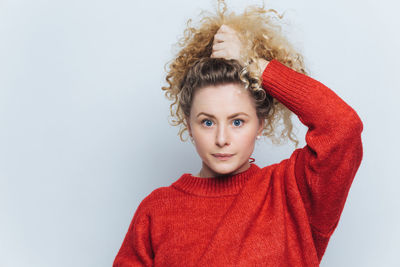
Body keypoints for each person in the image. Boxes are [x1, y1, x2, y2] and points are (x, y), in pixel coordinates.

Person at [113, 1, 363, 266]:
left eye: (237, 122)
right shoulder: (156, 211)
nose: (222, 139)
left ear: (260, 124)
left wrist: (256, 66)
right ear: (188, 125)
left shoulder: (293, 193)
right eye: (207, 122)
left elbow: (342, 127)